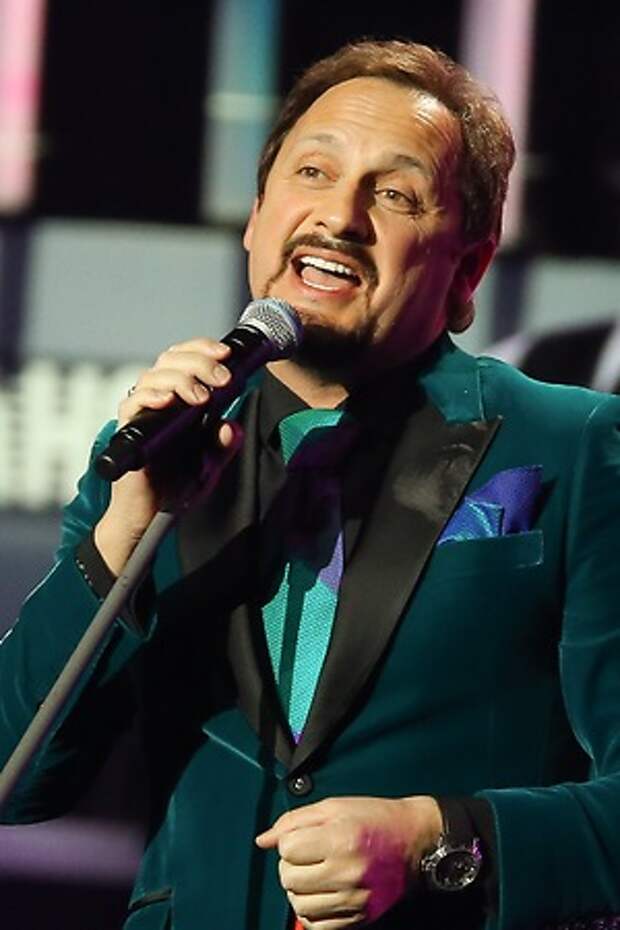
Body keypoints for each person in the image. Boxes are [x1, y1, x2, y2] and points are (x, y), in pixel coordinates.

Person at [2, 38, 620, 930]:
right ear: (256, 219)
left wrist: (437, 840)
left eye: (395, 194)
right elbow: (18, 776)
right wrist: (122, 535)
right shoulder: (155, 451)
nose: (339, 216)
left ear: (468, 271)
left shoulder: (572, 445)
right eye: (313, 173)